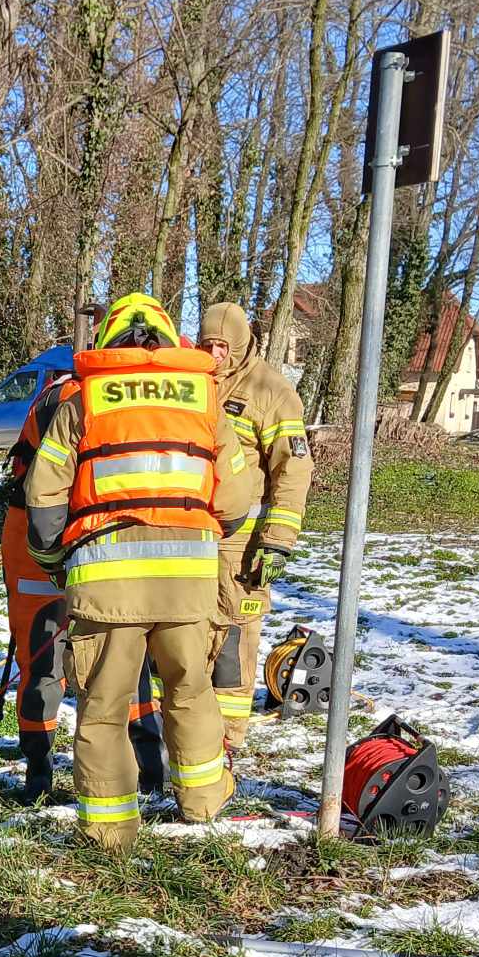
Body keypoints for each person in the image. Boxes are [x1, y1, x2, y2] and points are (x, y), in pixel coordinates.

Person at [25, 292, 239, 845]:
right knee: (191, 690)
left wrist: (55, 563)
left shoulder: (82, 401)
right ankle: (203, 804)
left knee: (103, 707)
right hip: (188, 585)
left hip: (107, 583)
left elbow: (43, 503)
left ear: (107, 341)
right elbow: (238, 497)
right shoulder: (206, 400)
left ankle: (110, 830)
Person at [0, 369, 166, 806]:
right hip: (45, 540)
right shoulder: (80, 398)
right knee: (52, 661)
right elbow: (47, 489)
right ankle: (41, 773)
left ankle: (146, 767)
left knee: (116, 656)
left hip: (75, 537)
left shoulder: (75, 393)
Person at [197, 302, 313, 749]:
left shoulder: (272, 391)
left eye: (222, 346)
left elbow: (293, 469)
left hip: (242, 546)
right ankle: (182, 728)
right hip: (193, 537)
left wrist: (278, 541)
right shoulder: (192, 381)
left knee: (233, 638)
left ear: (242, 344)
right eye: (207, 345)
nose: (214, 354)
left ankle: (228, 738)